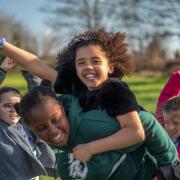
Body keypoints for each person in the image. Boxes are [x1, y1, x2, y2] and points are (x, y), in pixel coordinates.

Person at [0, 31, 146, 163]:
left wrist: (90, 148)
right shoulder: (77, 85)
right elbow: (36, 65)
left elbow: (136, 132)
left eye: (95, 61)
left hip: (136, 161)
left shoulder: (115, 90)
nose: (88, 66)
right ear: (75, 68)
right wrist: (3, 44)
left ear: (111, 67)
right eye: (81, 63)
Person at [18, 86, 180, 180]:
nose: (52, 131)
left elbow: (145, 122)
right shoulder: (64, 164)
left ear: (61, 108)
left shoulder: (93, 124)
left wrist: (169, 170)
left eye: (55, 119)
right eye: (41, 128)